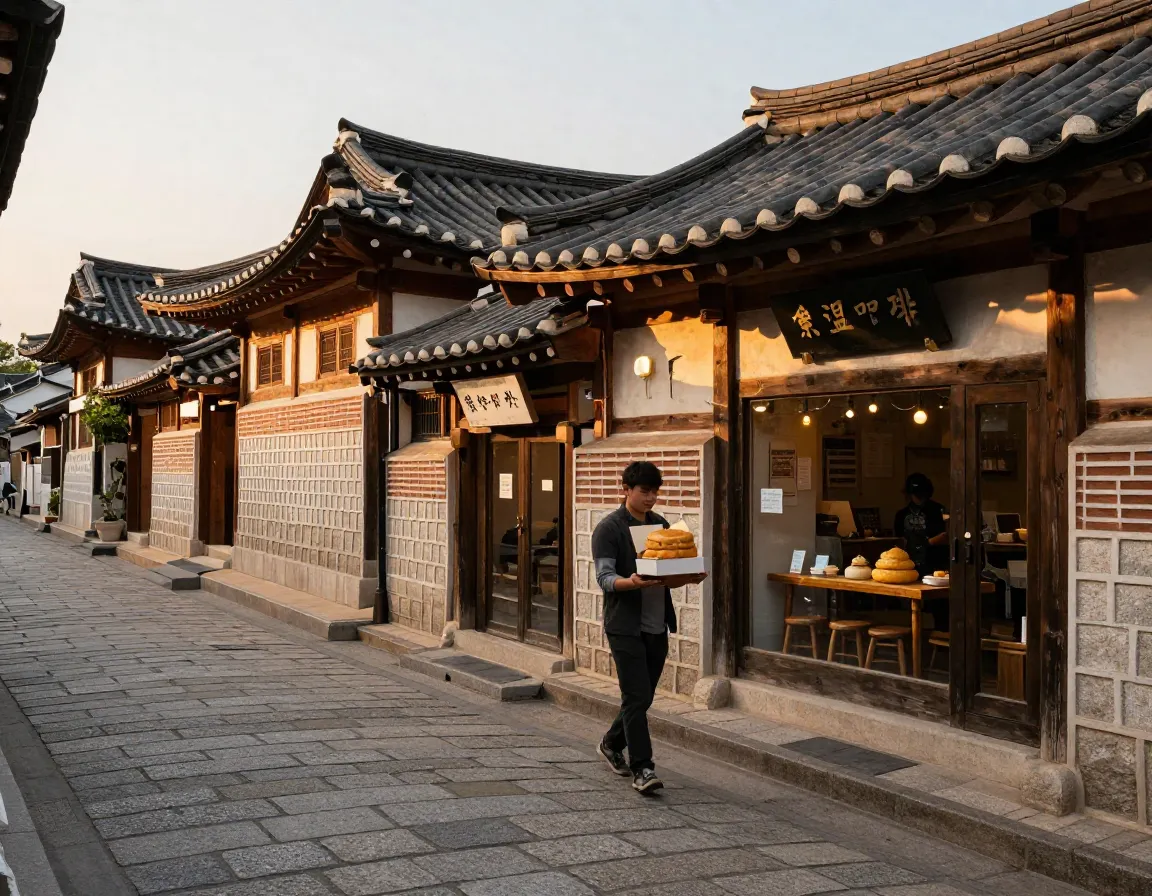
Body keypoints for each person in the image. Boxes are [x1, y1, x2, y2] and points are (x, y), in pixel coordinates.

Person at [592, 460, 707, 793]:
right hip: (624, 625)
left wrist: (689, 577)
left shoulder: (661, 525)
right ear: (626, 489)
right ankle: (643, 769)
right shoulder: (609, 529)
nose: (651, 498)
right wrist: (631, 582)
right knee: (636, 695)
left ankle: (611, 742)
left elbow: (666, 580)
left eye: (655, 492)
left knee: (641, 699)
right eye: (644, 491)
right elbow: (605, 579)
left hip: (657, 625)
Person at [895, 472, 948, 574]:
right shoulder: (901, 515)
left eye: (923, 494)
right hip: (910, 564)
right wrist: (929, 542)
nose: (920, 498)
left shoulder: (938, 510)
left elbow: (945, 536)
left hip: (935, 562)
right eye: (917, 495)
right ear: (909, 494)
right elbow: (900, 543)